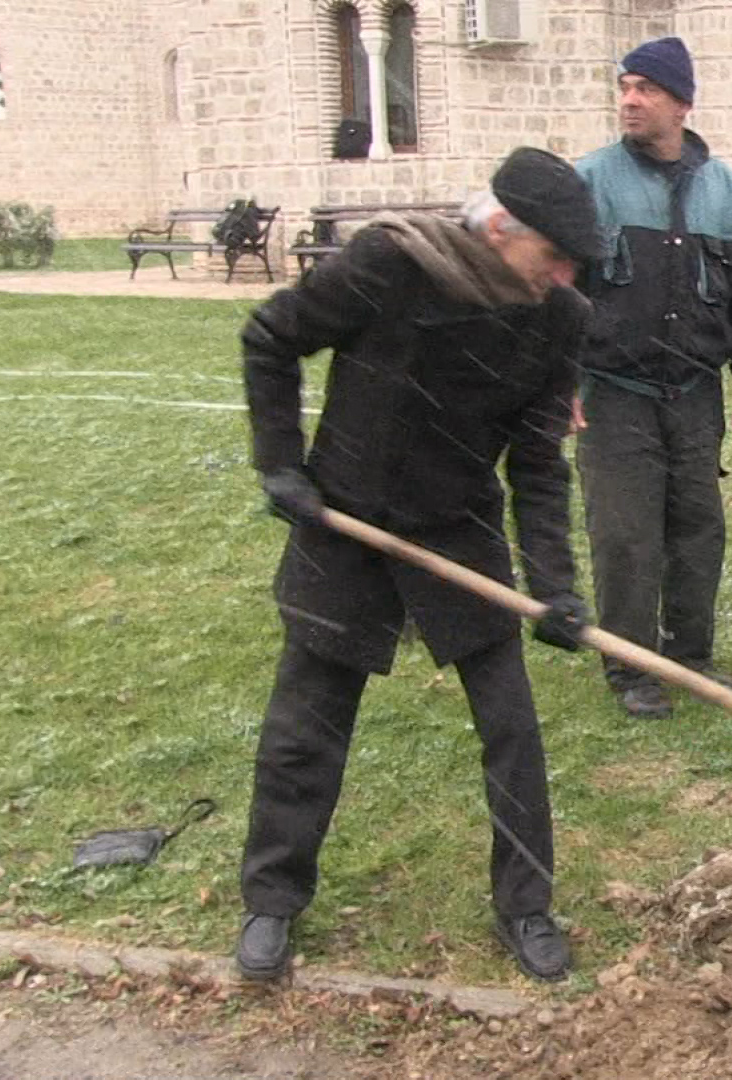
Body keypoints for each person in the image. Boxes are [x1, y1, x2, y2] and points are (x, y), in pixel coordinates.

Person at [237, 147, 601, 984]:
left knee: (510, 728)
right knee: (307, 724)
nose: (560, 276)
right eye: (551, 257)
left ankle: (526, 906)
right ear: (501, 226)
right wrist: (281, 464)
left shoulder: (557, 318)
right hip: (348, 519)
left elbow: (539, 463)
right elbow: (271, 338)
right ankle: (271, 900)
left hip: (456, 528)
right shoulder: (391, 264)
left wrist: (554, 588)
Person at [574, 36, 732, 719]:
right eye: (625, 87)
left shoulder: (728, 192)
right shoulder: (590, 183)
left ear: (682, 104)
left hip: (695, 393)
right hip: (612, 391)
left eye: (646, 89)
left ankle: (690, 656)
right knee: (625, 535)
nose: (630, 100)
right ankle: (631, 670)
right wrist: (557, 380)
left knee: (697, 528)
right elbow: (554, 289)